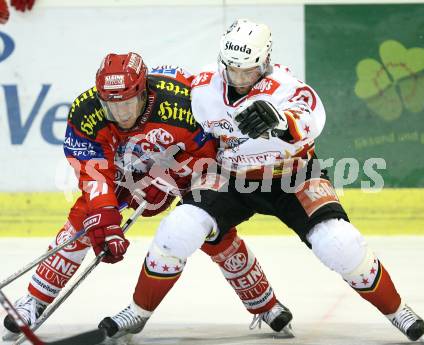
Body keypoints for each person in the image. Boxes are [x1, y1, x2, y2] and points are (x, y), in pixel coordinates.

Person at [99, 19, 424, 343]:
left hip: (293, 178)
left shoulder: (287, 87)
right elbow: (151, 85)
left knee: (338, 243)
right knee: (179, 227)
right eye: (233, 69)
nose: (240, 79)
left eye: (249, 71)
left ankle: (398, 311)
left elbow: (312, 115)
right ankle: (138, 311)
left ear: (265, 61)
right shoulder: (203, 85)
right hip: (231, 177)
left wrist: (283, 123)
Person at [2, 52, 293, 340]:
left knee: (210, 229)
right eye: (112, 105)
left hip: (190, 164)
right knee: (85, 221)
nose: (122, 113)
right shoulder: (86, 112)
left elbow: (214, 153)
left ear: (144, 92)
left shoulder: (182, 105)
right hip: (129, 167)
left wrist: (168, 178)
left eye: (128, 103)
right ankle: (33, 302)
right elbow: (94, 173)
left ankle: (264, 304)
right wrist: (107, 220)